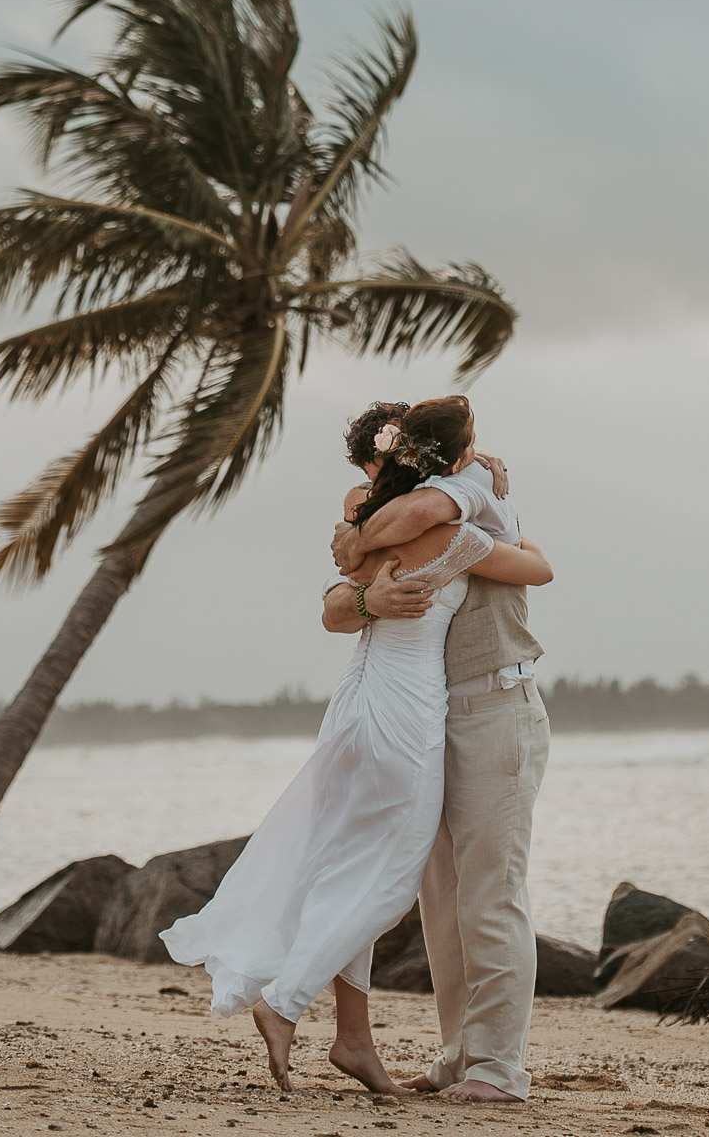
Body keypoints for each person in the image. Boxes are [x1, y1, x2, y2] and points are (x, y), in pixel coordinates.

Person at [159, 394, 552, 1095]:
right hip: (410, 713)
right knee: (414, 886)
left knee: (452, 888)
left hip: (446, 708)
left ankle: (464, 1060)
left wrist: (361, 539)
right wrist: (367, 568)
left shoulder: (424, 510)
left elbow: (370, 565)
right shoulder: (434, 520)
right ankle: (419, 1043)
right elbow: (345, 606)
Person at [327, 402, 550, 1103]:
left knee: (491, 894)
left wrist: (355, 538)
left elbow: (535, 567)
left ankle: (498, 1068)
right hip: (433, 713)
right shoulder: (423, 500)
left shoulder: (466, 495)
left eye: (394, 460)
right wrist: (358, 542)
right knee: (444, 901)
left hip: (497, 706)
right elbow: (349, 569)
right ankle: (460, 1055)